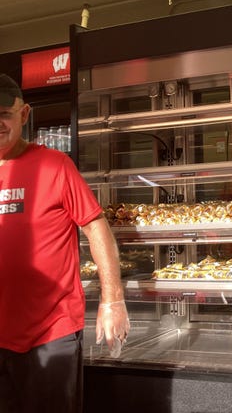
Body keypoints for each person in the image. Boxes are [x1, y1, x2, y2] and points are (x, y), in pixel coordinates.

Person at [0, 74, 129, 413]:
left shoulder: (54, 166)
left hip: (50, 331)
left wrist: (112, 301)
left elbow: (95, 226)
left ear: (24, 114)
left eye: (5, 113)